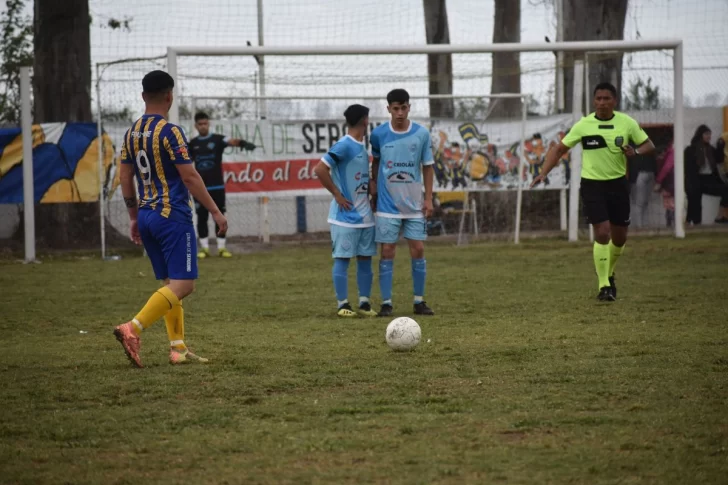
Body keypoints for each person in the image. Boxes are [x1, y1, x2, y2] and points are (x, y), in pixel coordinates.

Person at [114, 70, 228, 368]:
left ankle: (177, 348)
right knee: (185, 284)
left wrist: (133, 216)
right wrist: (215, 211)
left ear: (142, 96)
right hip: (172, 216)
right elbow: (189, 177)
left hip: (148, 215)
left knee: (170, 283)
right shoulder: (170, 132)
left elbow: (125, 177)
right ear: (169, 96)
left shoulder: (130, 134)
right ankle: (133, 328)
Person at [532, 82, 655, 301]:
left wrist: (635, 151)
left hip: (617, 183)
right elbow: (559, 149)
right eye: (598, 99)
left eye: (606, 98)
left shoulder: (626, 123)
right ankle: (604, 286)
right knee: (602, 232)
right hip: (592, 184)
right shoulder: (584, 125)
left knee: (619, 238)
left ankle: (609, 271)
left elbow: (649, 145)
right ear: (593, 101)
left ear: (614, 101)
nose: (601, 103)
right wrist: (543, 173)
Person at [370, 88, 435, 317]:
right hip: (387, 205)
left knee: (418, 249)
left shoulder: (421, 134)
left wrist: (428, 198)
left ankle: (419, 301)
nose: (399, 112)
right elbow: (376, 164)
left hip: (414, 204)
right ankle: (386, 303)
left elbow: (427, 167)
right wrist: (373, 191)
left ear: (409, 107)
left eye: (403, 107)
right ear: (388, 109)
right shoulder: (378, 135)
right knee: (387, 251)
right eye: (395, 108)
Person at [313, 104, 378, 318]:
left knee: (365, 259)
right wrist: (337, 194)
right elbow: (320, 169)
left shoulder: (360, 145)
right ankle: (342, 305)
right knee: (342, 260)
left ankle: (365, 303)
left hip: (365, 216)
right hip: (344, 217)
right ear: (365, 121)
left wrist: (370, 187)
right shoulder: (345, 144)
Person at [189, 112, 256, 258]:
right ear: (196, 126)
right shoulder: (192, 144)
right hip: (200, 189)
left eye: (205, 123)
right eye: (200, 124)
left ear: (209, 123)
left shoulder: (218, 139)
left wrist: (243, 143)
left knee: (220, 216)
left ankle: (221, 248)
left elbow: (231, 141)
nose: (203, 126)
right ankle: (204, 248)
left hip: (217, 186)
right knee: (201, 217)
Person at [684, 125, 728, 224]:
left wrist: (720, 147)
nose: (709, 136)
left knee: (725, 190)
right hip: (695, 180)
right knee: (694, 203)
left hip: (708, 179)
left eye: (710, 134)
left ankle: (720, 216)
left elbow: (719, 159)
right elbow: (688, 169)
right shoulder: (690, 150)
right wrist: (690, 183)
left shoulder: (710, 149)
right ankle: (691, 223)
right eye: (707, 134)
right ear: (700, 135)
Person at [654, 142, 675, 227]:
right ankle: (671, 221)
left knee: (669, 204)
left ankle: (670, 222)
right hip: (670, 183)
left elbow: (665, 169)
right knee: (670, 204)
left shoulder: (669, 155)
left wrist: (658, 182)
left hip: (668, 183)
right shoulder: (671, 153)